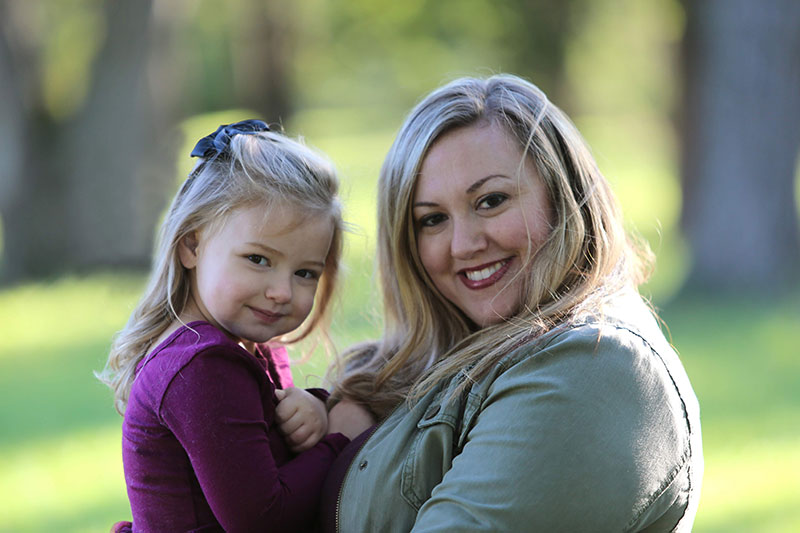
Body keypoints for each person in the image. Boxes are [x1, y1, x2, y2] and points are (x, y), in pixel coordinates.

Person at [322, 74, 703, 532]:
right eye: (433, 219)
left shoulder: (595, 366)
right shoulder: (454, 356)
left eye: (491, 201)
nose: (463, 244)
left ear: (563, 196)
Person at [97, 120, 358, 532]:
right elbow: (264, 519)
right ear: (192, 246)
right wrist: (343, 438)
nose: (282, 292)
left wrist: (315, 407)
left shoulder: (243, 345)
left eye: (306, 272)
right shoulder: (202, 367)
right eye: (258, 259)